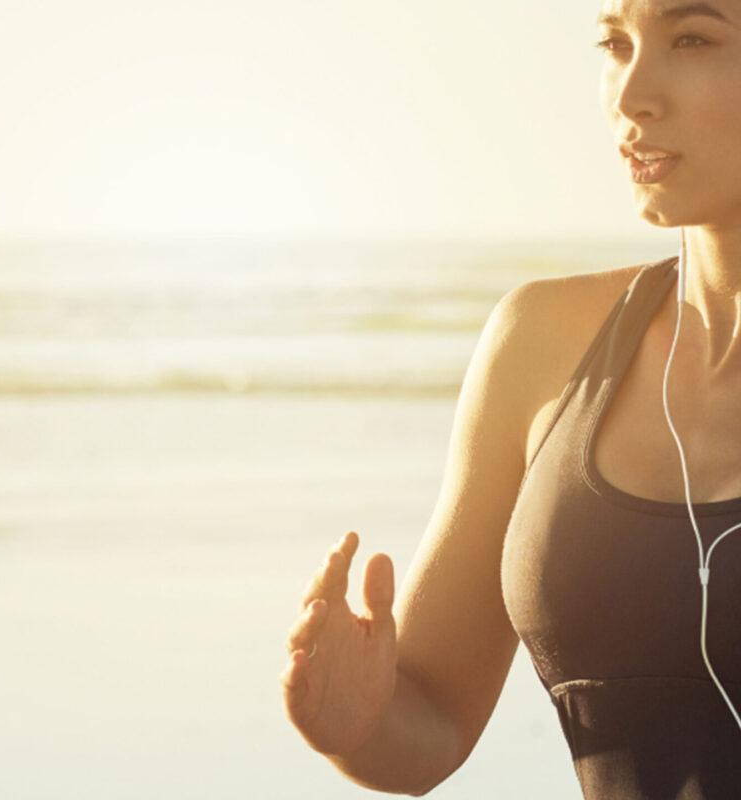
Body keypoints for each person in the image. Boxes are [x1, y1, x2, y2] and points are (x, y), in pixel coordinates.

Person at [279, 1, 741, 796]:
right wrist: (355, 727)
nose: (632, 95)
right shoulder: (543, 346)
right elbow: (431, 727)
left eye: (692, 39)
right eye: (616, 44)